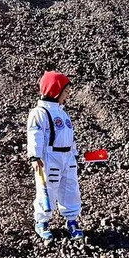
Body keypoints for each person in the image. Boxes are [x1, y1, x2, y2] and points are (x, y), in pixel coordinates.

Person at [27, 71, 84, 242]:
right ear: (55, 90)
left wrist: (74, 155)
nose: (67, 95)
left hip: (67, 157)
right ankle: (42, 221)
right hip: (49, 157)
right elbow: (34, 133)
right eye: (65, 92)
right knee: (47, 189)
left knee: (71, 189)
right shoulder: (40, 112)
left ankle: (72, 220)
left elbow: (68, 135)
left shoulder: (62, 113)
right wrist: (35, 156)